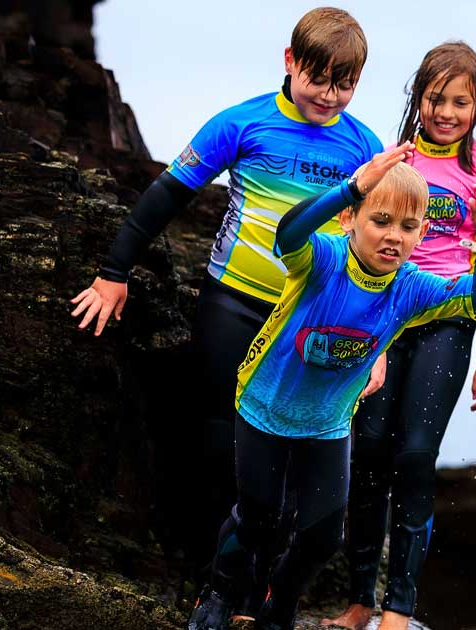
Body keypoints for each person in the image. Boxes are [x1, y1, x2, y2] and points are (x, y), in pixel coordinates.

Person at [67, 6, 385, 600]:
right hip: (233, 305)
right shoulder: (242, 123)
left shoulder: (365, 149)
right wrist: (114, 272)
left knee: (290, 450)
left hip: (309, 321)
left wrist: (378, 347)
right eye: (318, 78)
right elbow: (167, 195)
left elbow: (379, 255)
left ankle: (262, 588)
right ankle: (209, 580)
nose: (329, 95)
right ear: (289, 61)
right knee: (222, 443)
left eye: (344, 84)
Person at [187, 143, 476, 630]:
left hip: (327, 423)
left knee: (322, 538)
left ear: (422, 233)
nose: (393, 236)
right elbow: (289, 232)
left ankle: (280, 606)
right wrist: (351, 188)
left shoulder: (410, 289)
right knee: (258, 518)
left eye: (408, 227)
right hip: (264, 405)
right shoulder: (323, 260)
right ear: (349, 219)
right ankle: (219, 589)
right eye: (380, 220)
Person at [322, 41, 476, 630]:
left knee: (413, 455)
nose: (446, 113)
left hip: (447, 323)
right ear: (417, 97)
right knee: (368, 452)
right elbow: (349, 240)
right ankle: (360, 599)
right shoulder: (392, 162)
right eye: (435, 99)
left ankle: (399, 608)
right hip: (383, 320)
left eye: (460, 102)